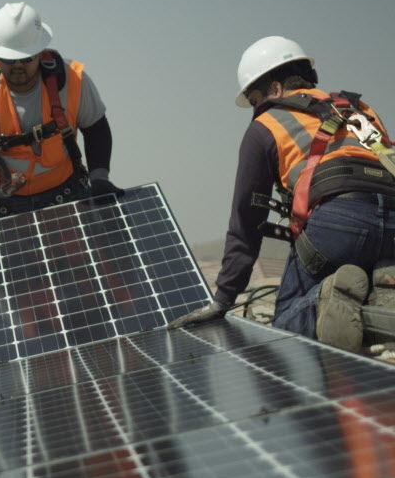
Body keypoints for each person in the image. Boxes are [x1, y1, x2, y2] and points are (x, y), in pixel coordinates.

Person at [168, 36, 395, 353]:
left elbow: (247, 222)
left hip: (338, 224)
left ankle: (323, 299)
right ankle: (383, 293)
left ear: (274, 89)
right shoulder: (360, 108)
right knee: (358, 300)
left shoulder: (266, 126)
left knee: (288, 321)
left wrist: (223, 299)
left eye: (254, 100)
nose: (254, 110)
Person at [0, 2, 121, 226]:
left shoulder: (72, 82)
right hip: (6, 205)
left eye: (26, 58)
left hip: (66, 196)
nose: (18, 66)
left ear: (40, 52)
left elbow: (96, 128)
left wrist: (99, 177)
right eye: (10, 60)